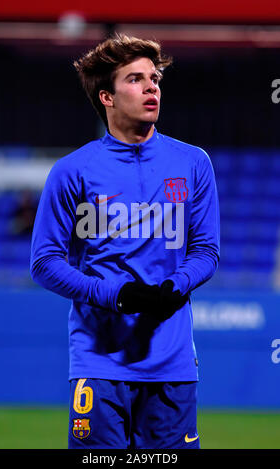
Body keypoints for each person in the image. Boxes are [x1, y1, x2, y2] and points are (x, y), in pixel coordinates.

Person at [30, 33, 220, 449]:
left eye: (154, 78)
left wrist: (175, 285)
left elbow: (206, 251)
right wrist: (116, 295)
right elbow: (44, 261)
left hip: (172, 362)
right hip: (99, 360)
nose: (152, 86)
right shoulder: (72, 171)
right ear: (107, 98)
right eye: (135, 79)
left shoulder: (192, 163)